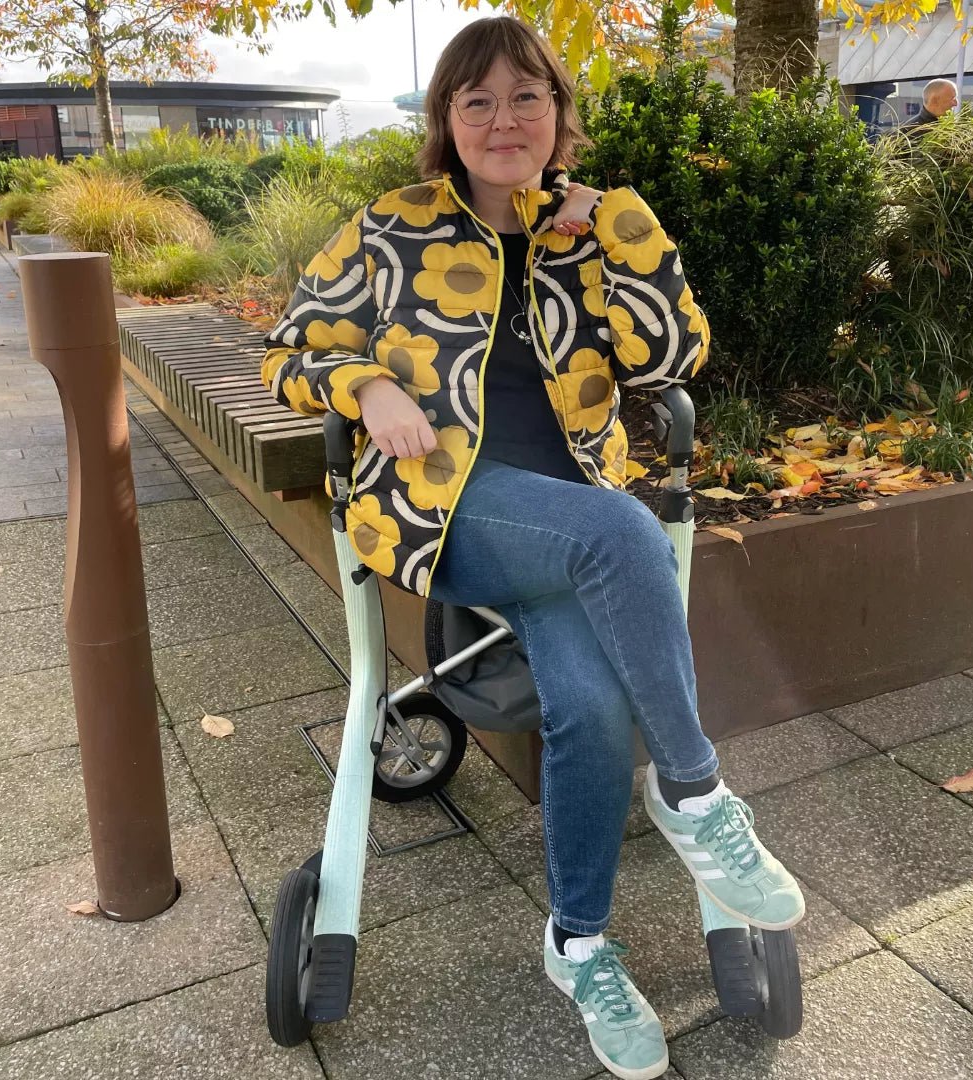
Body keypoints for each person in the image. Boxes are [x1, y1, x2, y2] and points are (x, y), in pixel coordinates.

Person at [262, 16, 804, 1079]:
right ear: (447, 124)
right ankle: (696, 794)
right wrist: (366, 386)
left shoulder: (591, 229)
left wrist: (623, 224)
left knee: (595, 704)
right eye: (478, 102)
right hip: (443, 512)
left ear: (558, 115)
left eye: (527, 98)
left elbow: (673, 353)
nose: (504, 119)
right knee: (619, 530)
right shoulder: (392, 226)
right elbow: (293, 344)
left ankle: (580, 945)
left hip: (573, 523)